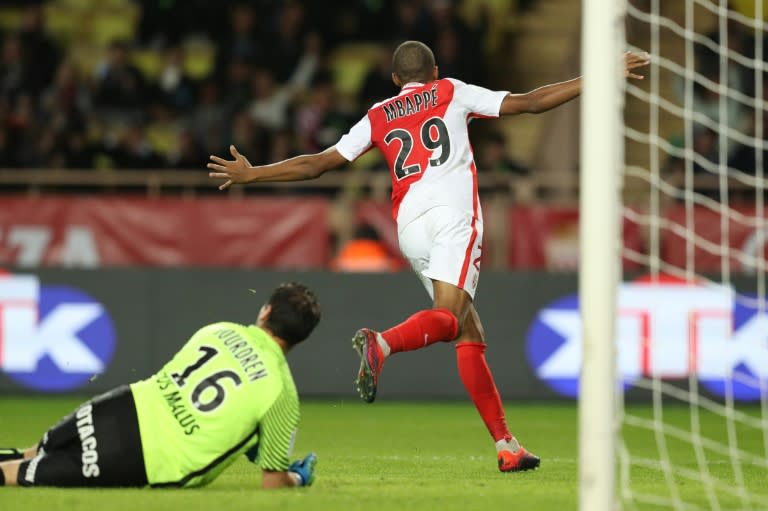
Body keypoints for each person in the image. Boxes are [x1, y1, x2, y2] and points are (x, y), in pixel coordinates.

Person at [207, 41, 650, 472]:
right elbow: (530, 102)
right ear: (434, 71)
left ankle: (506, 444)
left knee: (465, 330)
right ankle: (382, 343)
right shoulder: (452, 91)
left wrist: (253, 174)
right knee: (450, 318)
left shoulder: (377, 114)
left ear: (396, 79)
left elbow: (319, 163)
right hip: (452, 217)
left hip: (409, 227)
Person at [0, 282, 321, 489]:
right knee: (17, 476)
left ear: (265, 311)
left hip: (120, 406)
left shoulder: (219, 330)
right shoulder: (282, 393)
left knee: (30, 455)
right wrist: (295, 477)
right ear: (301, 337)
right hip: (145, 457)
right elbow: (272, 482)